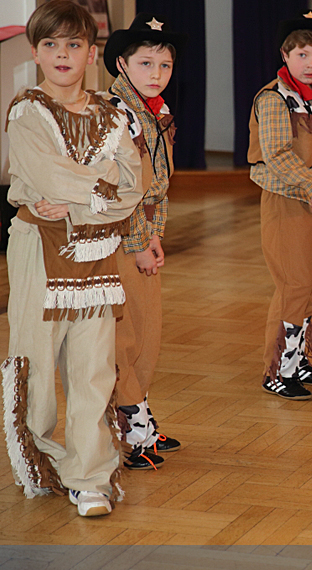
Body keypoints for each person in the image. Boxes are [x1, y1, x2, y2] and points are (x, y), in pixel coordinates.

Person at [3, 0, 142, 517]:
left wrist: (82, 202)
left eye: (74, 44)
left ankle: (90, 475)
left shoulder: (112, 114)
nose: (63, 54)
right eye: (51, 44)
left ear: (91, 53)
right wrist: (100, 185)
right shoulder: (27, 111)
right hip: (39, 247)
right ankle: (43, 459)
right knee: (37, 363)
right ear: (35, 52)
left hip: (98, 251)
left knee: (92, 366)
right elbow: (46, 174)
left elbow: (135, 184)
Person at [101, 12, 187, 469]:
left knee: (147, 328)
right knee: (124, 333)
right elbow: (121, 188)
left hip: (140, 232)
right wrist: (137, 241)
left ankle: (138, 415)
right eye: (146, 63)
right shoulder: (113, 114)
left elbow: (160, 185)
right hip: (115, 236)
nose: (156, 74)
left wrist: (154, 234)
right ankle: (128, 427)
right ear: (122, 63)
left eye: (165, 65)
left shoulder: (156, 113)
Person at [248, 10, 312, 401]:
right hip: (287, 201)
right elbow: (277, 154)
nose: (311, 64)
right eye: (302, 55)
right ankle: (276, 370)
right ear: (285, 55)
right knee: (293, 285)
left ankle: (296, 360)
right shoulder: (274, 98)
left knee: (310, 284)